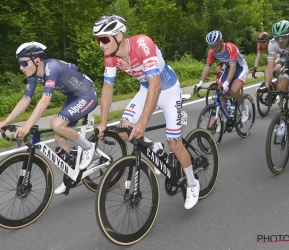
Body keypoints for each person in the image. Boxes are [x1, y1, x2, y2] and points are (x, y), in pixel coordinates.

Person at [93, 14, 199, 210]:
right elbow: (108, 88)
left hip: (167, 90)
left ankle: (192, 182)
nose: (101, 44)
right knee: (124, 129)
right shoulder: (110, 58)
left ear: (119, 35)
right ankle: (155, 148)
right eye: (98, 40)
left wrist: (143, 122)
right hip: (145, 89)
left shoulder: (143, 44)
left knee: (175, 145)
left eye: (104, 39)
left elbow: (156, 87)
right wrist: (103, 122)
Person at [0, 42, 98, 194]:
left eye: (24, 63)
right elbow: (25, 100)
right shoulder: (33, 75)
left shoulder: (51, 67)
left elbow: (45, 102)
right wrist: (5, 122)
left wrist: (26, 127)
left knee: (56, 124)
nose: (21, 67)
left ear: (37, 60)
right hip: (73, 97)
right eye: (20, 63)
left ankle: (88, 147)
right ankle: (71, 175)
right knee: (59, 136)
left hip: (86, 95)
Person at [195, 30, 249, 123]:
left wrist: (226, 84)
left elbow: (233, 67)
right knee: (219, 91)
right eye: (211, 46)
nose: (214, 48)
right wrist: (200, 83)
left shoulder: (230, 47)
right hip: (229, 67)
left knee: (234, 90)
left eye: (216, 45)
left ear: (221, 41)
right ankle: (226, 111)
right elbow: (207, 67)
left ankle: (244, 108)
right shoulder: (212, 51)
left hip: (240, 68)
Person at [258, 20, 289, 110]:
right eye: (277, 38)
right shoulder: (273, 44)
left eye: (283, 37)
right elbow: (269, 67)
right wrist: (266, 86)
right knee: (280, 87)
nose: (280, 41)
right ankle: (285, 118)